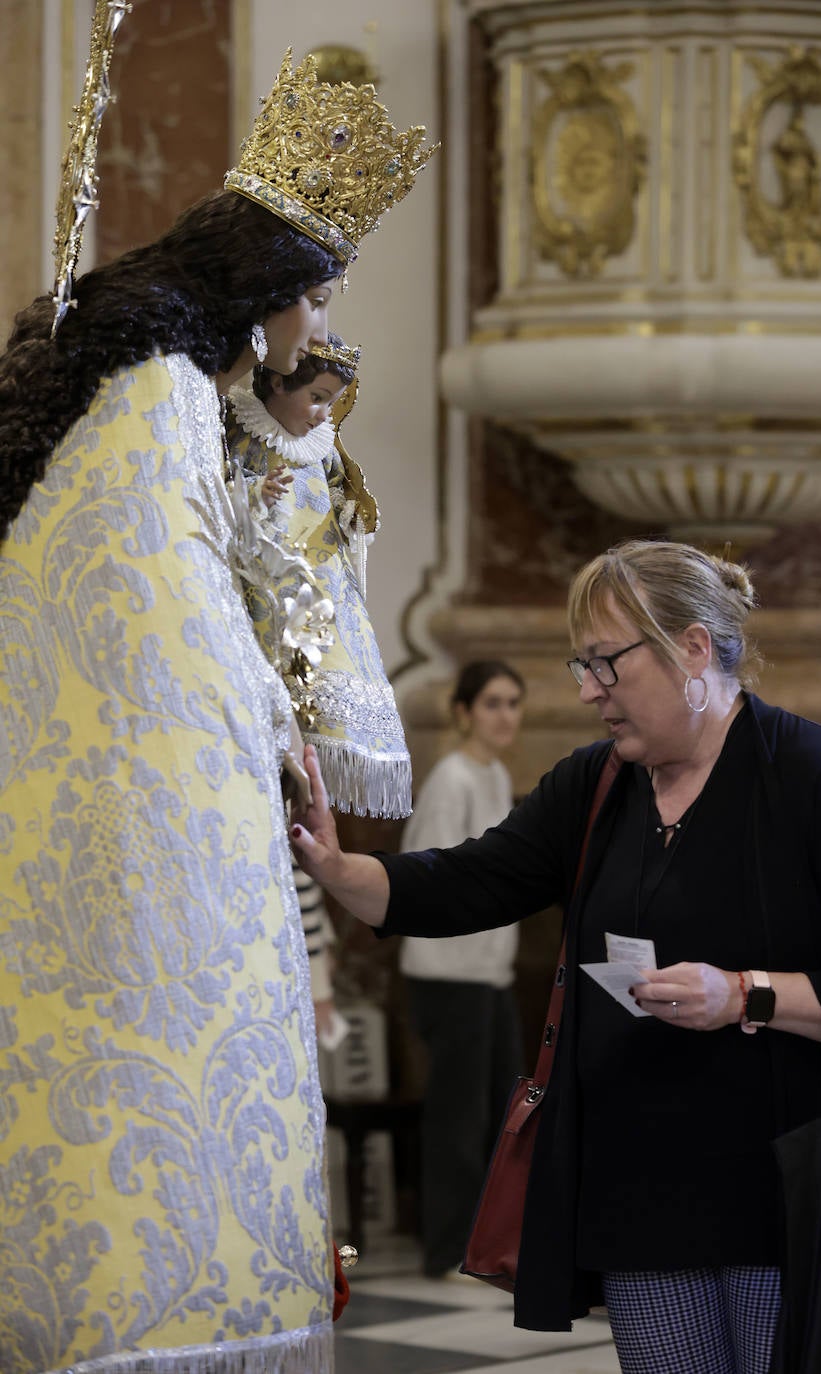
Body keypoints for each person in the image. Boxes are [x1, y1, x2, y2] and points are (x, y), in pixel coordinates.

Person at [0, 48, 434, 1374]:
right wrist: (263, 716)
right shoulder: (164, 401)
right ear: (264, 292)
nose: (314, 331)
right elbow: (172, 614)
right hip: (146, 820)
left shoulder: (145, 383)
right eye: (312, 297)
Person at [288, 539, 821, 1374]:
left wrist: (743, 996)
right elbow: (465, 882)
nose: (588, 692)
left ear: (692, 648)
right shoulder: (597, 785)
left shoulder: (809, 774)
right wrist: (338, 869)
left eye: (606, 665)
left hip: (777, 1188)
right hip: (635, 1190)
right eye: (580, 666)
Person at [224, 339, 412, 820]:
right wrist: (255, 494)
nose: (324, 412)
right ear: (279, 382)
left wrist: (350, 517)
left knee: (317, 701)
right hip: (267, 584)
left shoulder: (321, 444)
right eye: (317, 397)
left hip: (321, 588)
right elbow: (215, 489)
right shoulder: (241, 431)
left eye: (332, 401)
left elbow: (337, 494)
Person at [398, 660, 526, 1277]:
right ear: (464, 712)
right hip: (448, 974)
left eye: (512, 703)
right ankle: (445, 1250)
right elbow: (431, 873)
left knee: (506, 1111)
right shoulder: (451, 779)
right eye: (493, 703)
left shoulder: (496, 775)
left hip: (489, 973)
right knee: (458, 1118)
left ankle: (488, 1246)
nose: (506, 716)